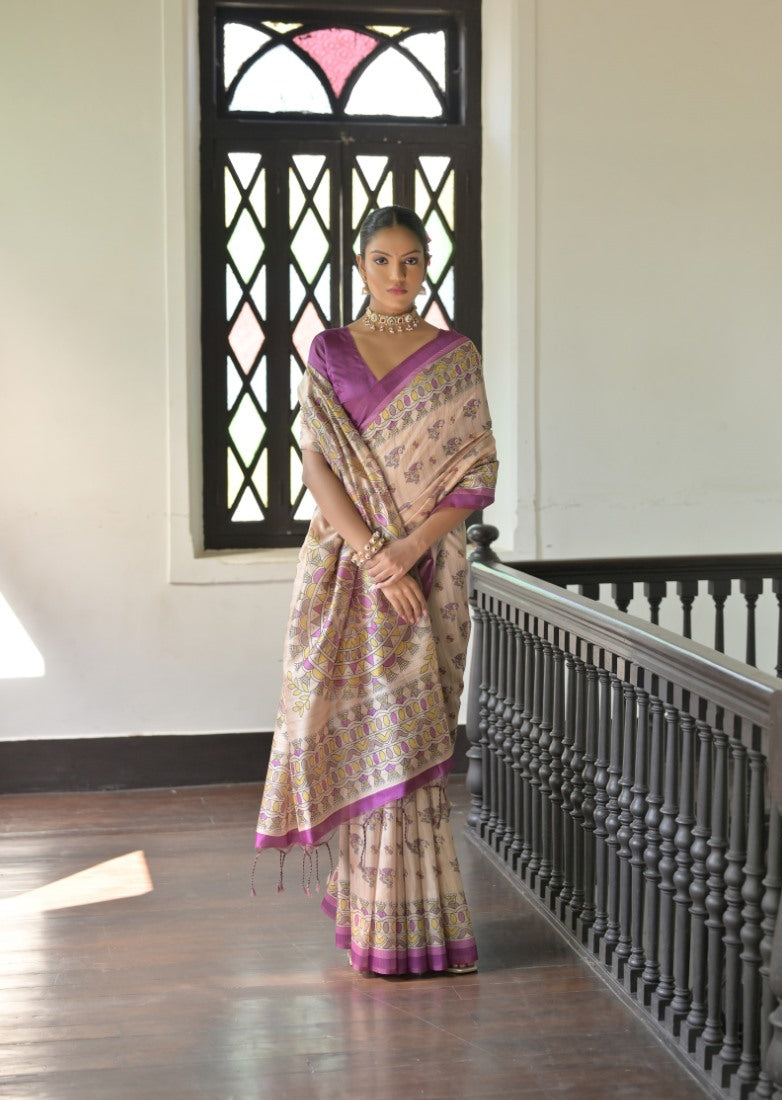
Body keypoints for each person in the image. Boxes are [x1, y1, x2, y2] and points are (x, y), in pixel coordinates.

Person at [254, 205, 498, 976]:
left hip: (432, 571)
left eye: (413, 261)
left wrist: (411, 552)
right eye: (384, 261)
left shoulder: (455, 356)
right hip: (348, 572)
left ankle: (419, 926)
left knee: (416, 732)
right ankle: (375, 921)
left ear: (428, 266)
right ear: (360, 266)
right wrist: (372, 558)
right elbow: (317, 463)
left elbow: (476, 474)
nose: (399, 275)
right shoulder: (328, 351)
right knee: (366, 734)